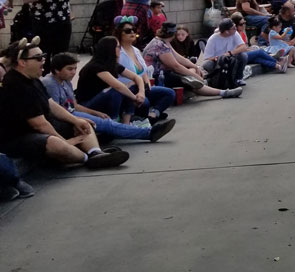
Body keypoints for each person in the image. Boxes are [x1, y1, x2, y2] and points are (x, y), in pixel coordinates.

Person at [0, 38, 129, 169]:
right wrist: (66, 142)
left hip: (42, 128)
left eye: (44, 56)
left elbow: (52, 105)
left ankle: (96, 153)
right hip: (18, 137)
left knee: (83, 123)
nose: (44, 60)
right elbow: (39, 125)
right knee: (55, 143)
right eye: (39, 58)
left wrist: (76, 120)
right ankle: (88, 159)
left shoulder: (33, 79)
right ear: (22, 62)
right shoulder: (15, 85)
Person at [43, 53, 176, 143]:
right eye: (69, 69)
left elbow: (74, 105)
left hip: (73, 113)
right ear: (56, 70)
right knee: (108, 124)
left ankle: (135, 129)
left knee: (106, 121)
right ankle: (148, 133)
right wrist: (81, 118)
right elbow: (56, 111)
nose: (73, 72)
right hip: (64, 119)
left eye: (74, 69)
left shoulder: (65, 81)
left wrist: (95, 113)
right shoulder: (50, 83)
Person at [115, 21, 177, 117]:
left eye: (134, 30)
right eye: (128, 31)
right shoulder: (117, 52)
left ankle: (154, 114)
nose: (132, 32)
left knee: (169, 93)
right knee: (145, 103)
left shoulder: (135, 50)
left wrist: (147, 84)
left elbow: (143, 72)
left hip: (142, 88)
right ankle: (141, 119)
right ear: (119, 33)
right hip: (128, 89)